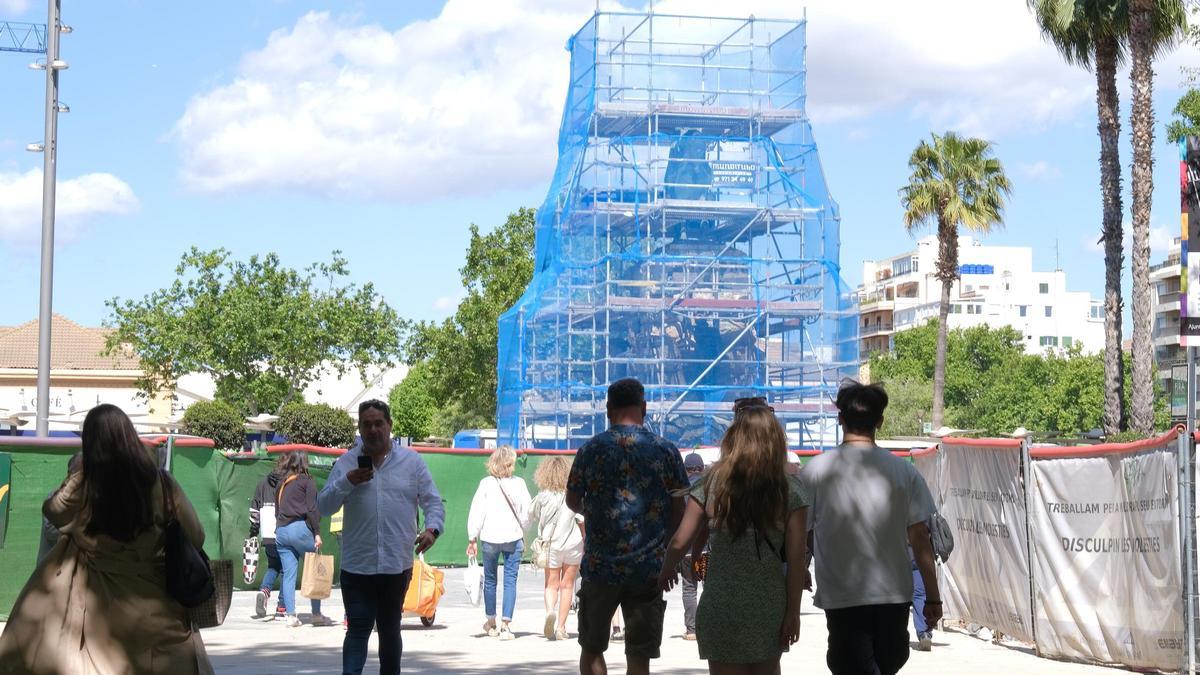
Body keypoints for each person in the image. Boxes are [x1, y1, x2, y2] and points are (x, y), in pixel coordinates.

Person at [0, 404, 213, 674]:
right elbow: (197, 536)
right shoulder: (163, 484)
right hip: (158, 609)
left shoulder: (86, 489)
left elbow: (53, 509)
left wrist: (82, 471)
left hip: (97, 614)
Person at [798, 382, 941, 675]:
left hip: (841, 595)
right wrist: (932, 595)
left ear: (840, 418)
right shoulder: (905, 472)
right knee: (887, 664)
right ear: (880, 421)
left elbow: (802, 532)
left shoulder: (814, 471)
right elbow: (920, 540)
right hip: (894, 596)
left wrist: (803, 566)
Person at [659, 406, 809, 674]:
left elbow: (680, 540)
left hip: (721, 604)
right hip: (768, 605)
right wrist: (793, 613)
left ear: (733, 438)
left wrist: (667, 569)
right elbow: (797, 560)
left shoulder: (711, 483)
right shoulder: (791, 490)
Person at [566, 377, 689, 675]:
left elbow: (572, 500)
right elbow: (680, 510)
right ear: (644, 407)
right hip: (648, 569)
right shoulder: (666, 451)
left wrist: (595, 511)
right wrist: (667, 555)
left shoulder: (591, 450)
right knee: (639, 655)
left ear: (609, 409)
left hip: (600, 567)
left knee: (592, 647)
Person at [317, 399, 445, 675]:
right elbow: (323, 506)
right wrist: (346, 481)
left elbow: (433, 501)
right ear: (360, 429)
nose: (373, 430)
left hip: (395, 565)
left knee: (389, 630)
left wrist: (433, 530)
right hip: (357, 565)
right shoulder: (346, 463)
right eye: (367, 424)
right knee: (358, 629)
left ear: (389, 426)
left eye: (379, 423)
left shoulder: (412, 462)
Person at [466, 445, 532, 640]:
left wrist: (472, 537)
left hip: (489, 537)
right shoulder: (519, 484)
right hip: (513, 536)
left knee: (490, 580)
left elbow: (477, 511)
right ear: (510, 463)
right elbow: (527, 512)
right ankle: (506, 625)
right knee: (510, 581)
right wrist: (524, 529)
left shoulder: (486, 483)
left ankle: (491, 622)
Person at [273, 451, 333, 627]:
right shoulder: (307, 481)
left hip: (282, 531)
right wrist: (316, 532)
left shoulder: (282, 483)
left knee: (289, 574)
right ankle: (315, 614)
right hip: (300, 529)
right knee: (313, 568)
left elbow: (278, 510)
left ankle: (290, 615)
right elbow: (312, 509)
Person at [530, 455, 584, 641]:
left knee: (551, 584)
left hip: (551, 544)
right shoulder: (574, 496)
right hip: (573, 543)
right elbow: (581, 520)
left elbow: (532, 515)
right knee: (567, 585)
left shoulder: (542, 496)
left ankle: (550, 611)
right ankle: (561, 627)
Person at [249, 459, 287, 619]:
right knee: (287, 570)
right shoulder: (288, 483)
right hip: (284, 531)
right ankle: (282, 607)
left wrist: (253, 531)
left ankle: (264, 591)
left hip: (267, 533)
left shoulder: (262, 483)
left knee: (273, 566)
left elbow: (254, 510)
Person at [678, 452, 706, 641]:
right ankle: (710, 627)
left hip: (686, 549)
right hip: (706, 549)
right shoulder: (709, 488)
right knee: (709, 586)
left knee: (689, 588)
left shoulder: (680, 491)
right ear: (702, 469)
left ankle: (692, 630)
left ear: (685, 470)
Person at [36, 452, 81, 565]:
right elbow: (50, 532)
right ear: (70, 473)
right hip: (50, 572)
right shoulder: (55, 497)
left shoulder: (88, 498)